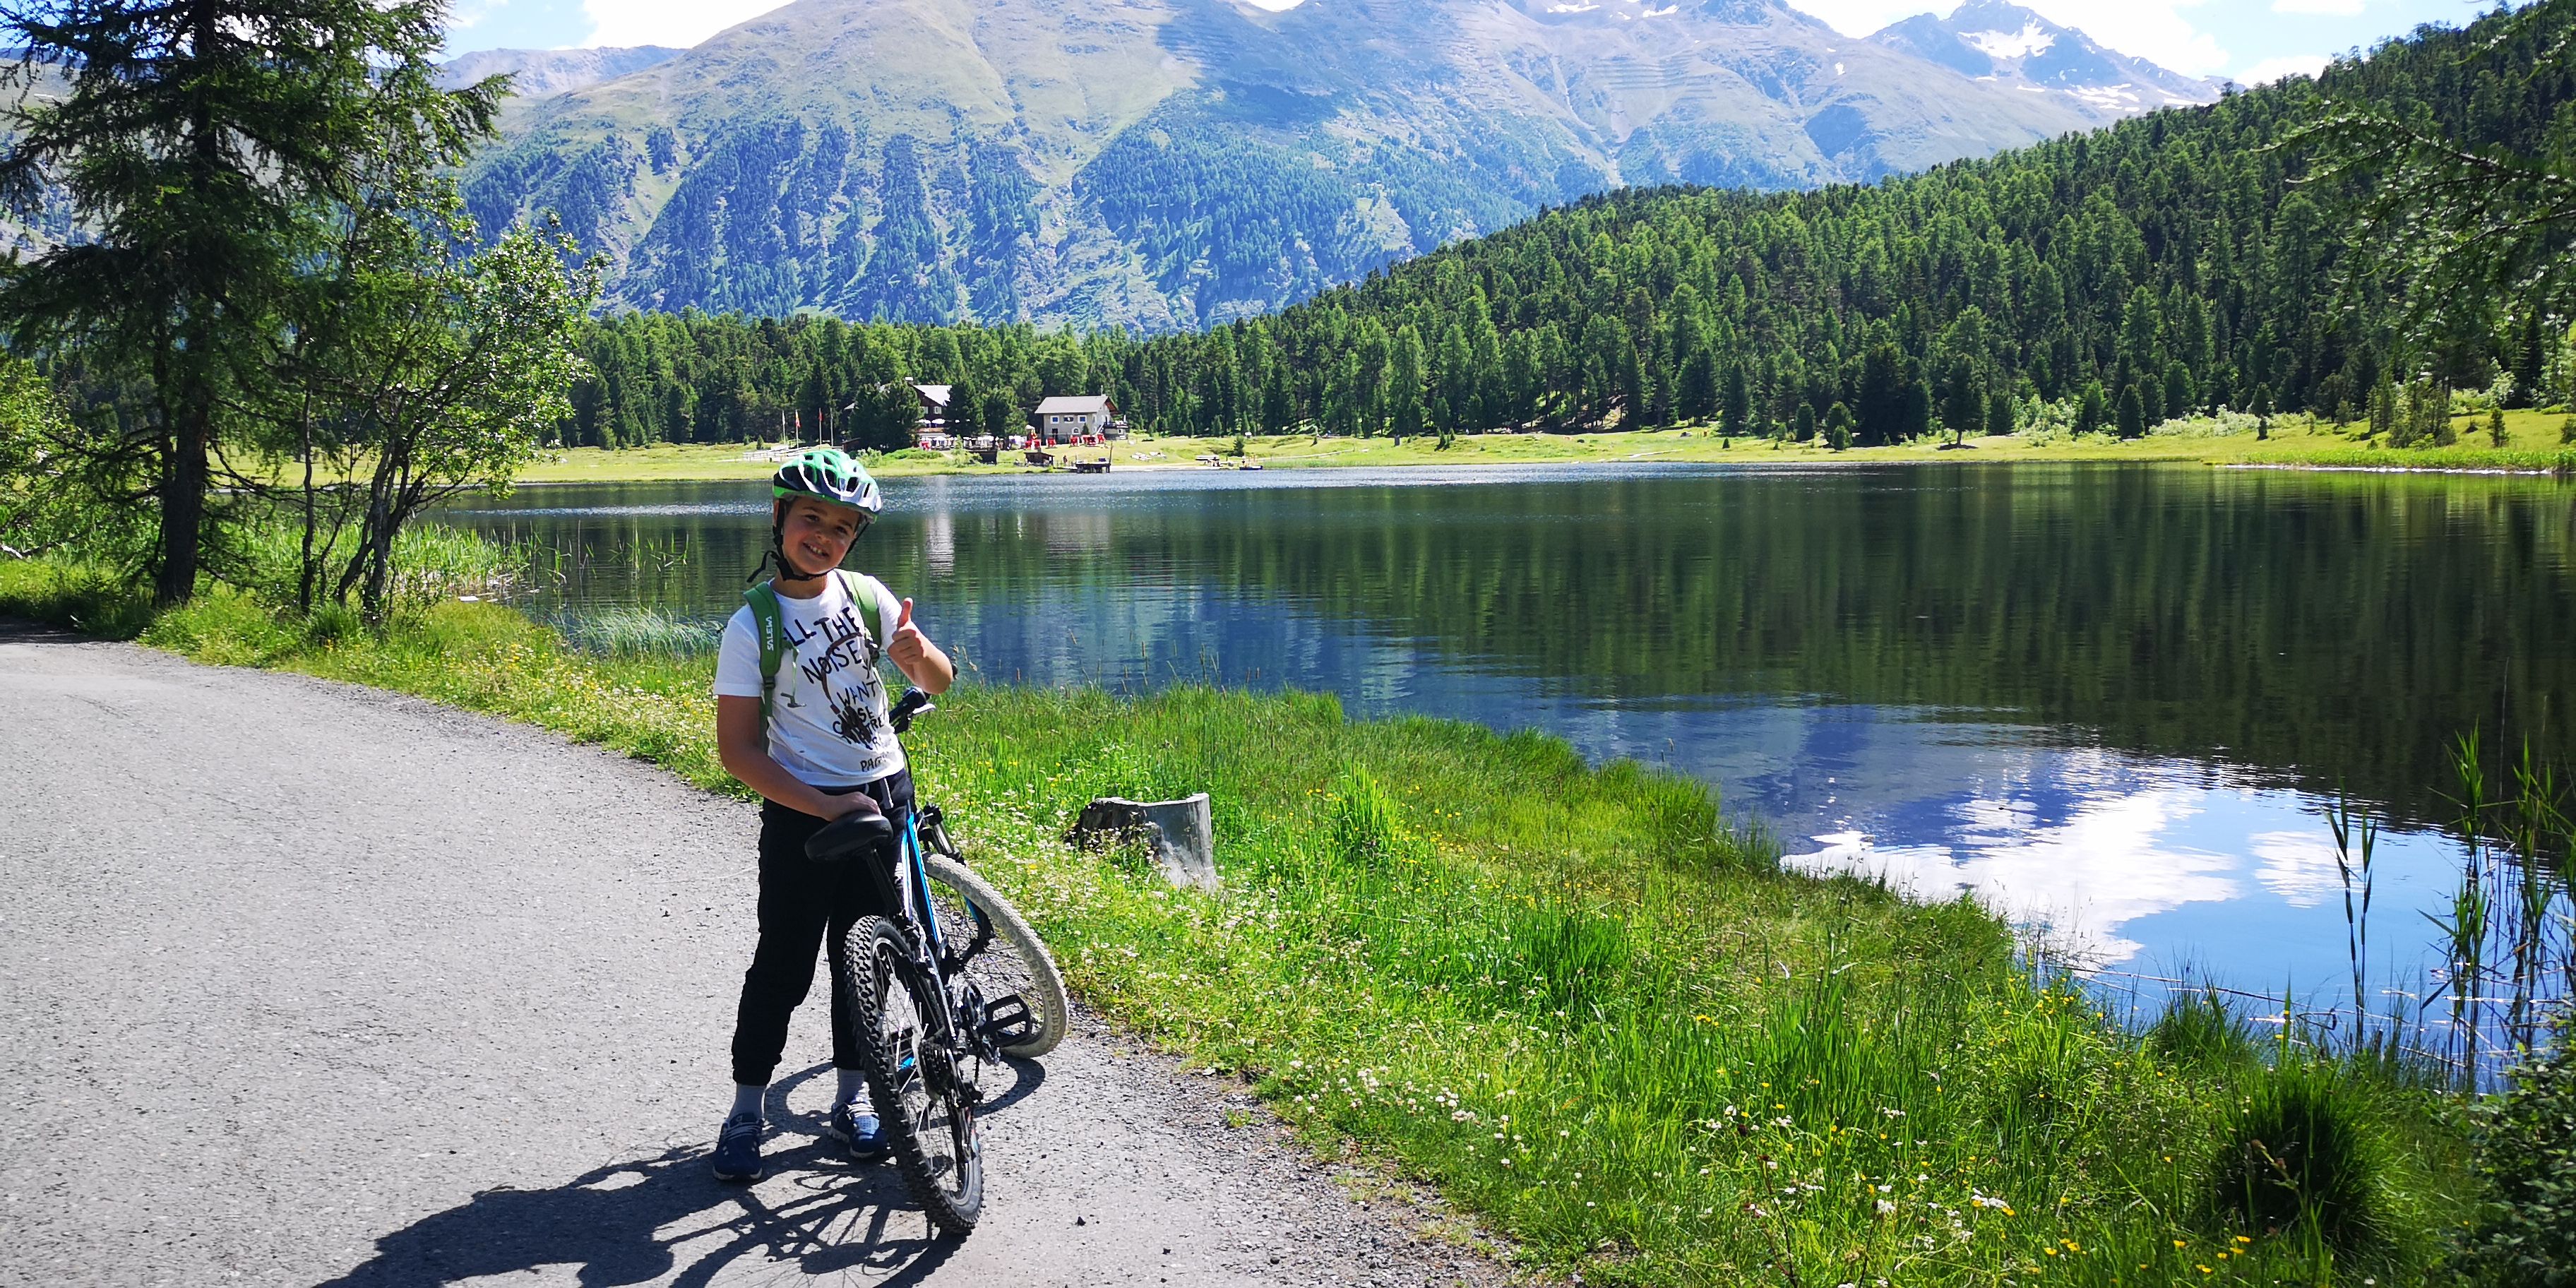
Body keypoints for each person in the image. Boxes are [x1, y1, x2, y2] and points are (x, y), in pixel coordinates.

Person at [705, 446, 955, 1183]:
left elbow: (939, 679)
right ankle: (747, 1110)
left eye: (843, 528)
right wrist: (821, 804)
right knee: (783, 964)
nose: (825, 536)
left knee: (867, 962)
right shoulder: (753, 626)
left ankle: (856, 1101)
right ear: (780, 518)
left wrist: (914, 654)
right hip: (804, 813)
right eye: (812, 518)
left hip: (884, 794)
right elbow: (738, 753)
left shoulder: (867, 596)